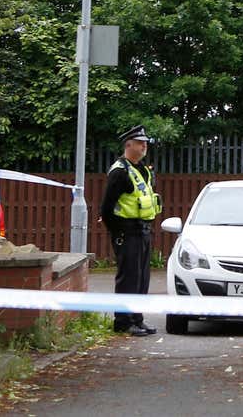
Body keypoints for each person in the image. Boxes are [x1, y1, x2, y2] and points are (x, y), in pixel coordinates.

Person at [100, 125, 162, 336]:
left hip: (143, 230)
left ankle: (137, 319)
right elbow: (106, 208)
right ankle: (123, 322)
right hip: (126, 232)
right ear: (128, 145)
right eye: (139, 142)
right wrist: (117, 232)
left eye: (145, 142)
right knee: (128, 278)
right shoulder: (119, 171)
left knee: (141, 278)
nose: (144, 145)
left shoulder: (141, 169)